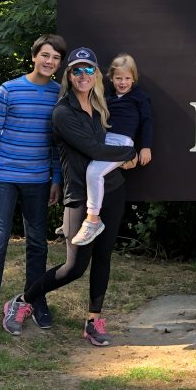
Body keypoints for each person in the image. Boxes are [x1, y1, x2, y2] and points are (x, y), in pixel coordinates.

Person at [0, 47, 137, 345]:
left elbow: (108, 145)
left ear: (96, 74)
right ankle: (23, 300)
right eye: (77, 70)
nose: (83, 75)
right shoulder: (63, 112)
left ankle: (93, 320)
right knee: (75, 267)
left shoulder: (100, 107)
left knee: (103, 258)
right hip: (79, 197)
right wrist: (130, 152)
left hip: (112, 191)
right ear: (69, 75)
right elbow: (95, 151)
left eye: (89, 70)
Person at [0, 34, 67, 338]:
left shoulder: (58, 94)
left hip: (38, 181)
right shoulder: (9, 90)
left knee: (37, 244)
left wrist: (55, 179)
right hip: (3, 179)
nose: (50, 62)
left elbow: (55, 143)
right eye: (45, 55)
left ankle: (35, 302)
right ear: (34, 56)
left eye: (56, 58)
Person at [72, 53, 154, 246]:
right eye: (118, 78)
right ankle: (75, 220)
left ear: (134, 78)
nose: (123, 82)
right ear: (111, 78)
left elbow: (147, 122)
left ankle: (93, 221)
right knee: (86, 169)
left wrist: (146, 147)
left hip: (122, 143)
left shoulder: (139, 97)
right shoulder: (107, 96)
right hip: (104, 141)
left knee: (94, 173)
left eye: (127, 78)